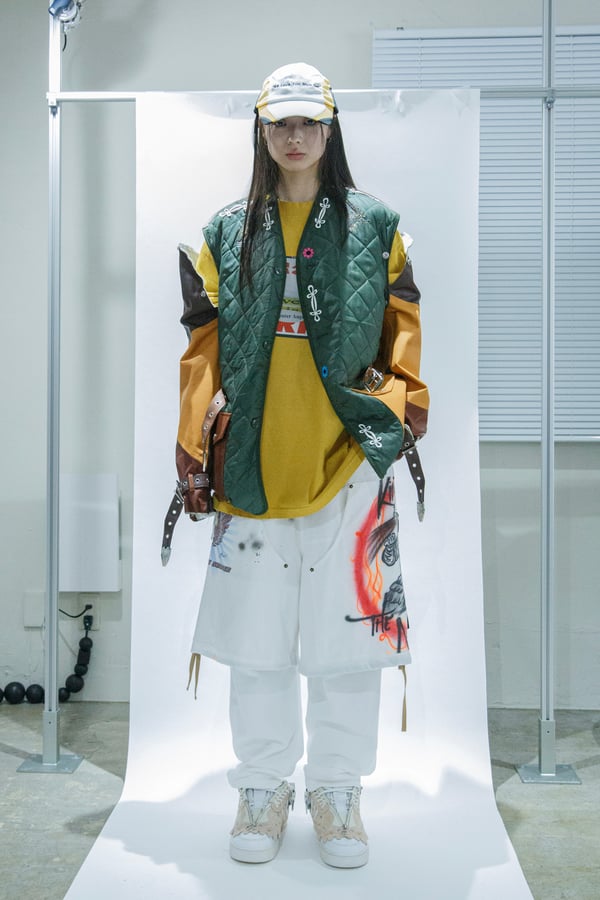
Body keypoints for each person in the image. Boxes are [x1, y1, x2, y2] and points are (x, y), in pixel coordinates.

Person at [174, 62, 429, 868]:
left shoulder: (378, 226)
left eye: (307, 122)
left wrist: (390, 420)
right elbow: (201, 352)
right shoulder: (224, 232)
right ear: (261, 128)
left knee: (349, 643)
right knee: (257, 644)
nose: (294, 137)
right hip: (253, 468)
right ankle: (262, 787)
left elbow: (404, 338)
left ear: (329, 127)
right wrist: (194, 451)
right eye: (280, 123)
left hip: (347, 468)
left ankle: (338, 792)